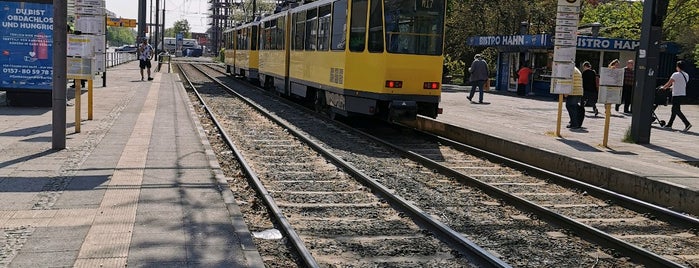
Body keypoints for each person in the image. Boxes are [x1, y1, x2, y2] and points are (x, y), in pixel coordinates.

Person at [659, 60, 692, 132]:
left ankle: (687, 123)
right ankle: (669, 124)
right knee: (674, 110)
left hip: (676, 94)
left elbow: (669, 83)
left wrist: (663, 88)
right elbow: (680, 84)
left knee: (676, 110)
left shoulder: (676, 74)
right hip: (682, 93)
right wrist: (671, 88)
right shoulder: (686, 75)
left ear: (677, 67)